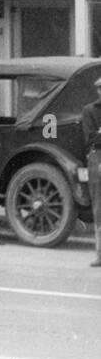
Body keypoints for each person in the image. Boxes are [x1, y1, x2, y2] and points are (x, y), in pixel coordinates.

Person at [82, 79, 101, 269]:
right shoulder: (90, 111)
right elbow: (91, 138)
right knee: (99, 208)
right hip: (98, 159)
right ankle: (100, 253)